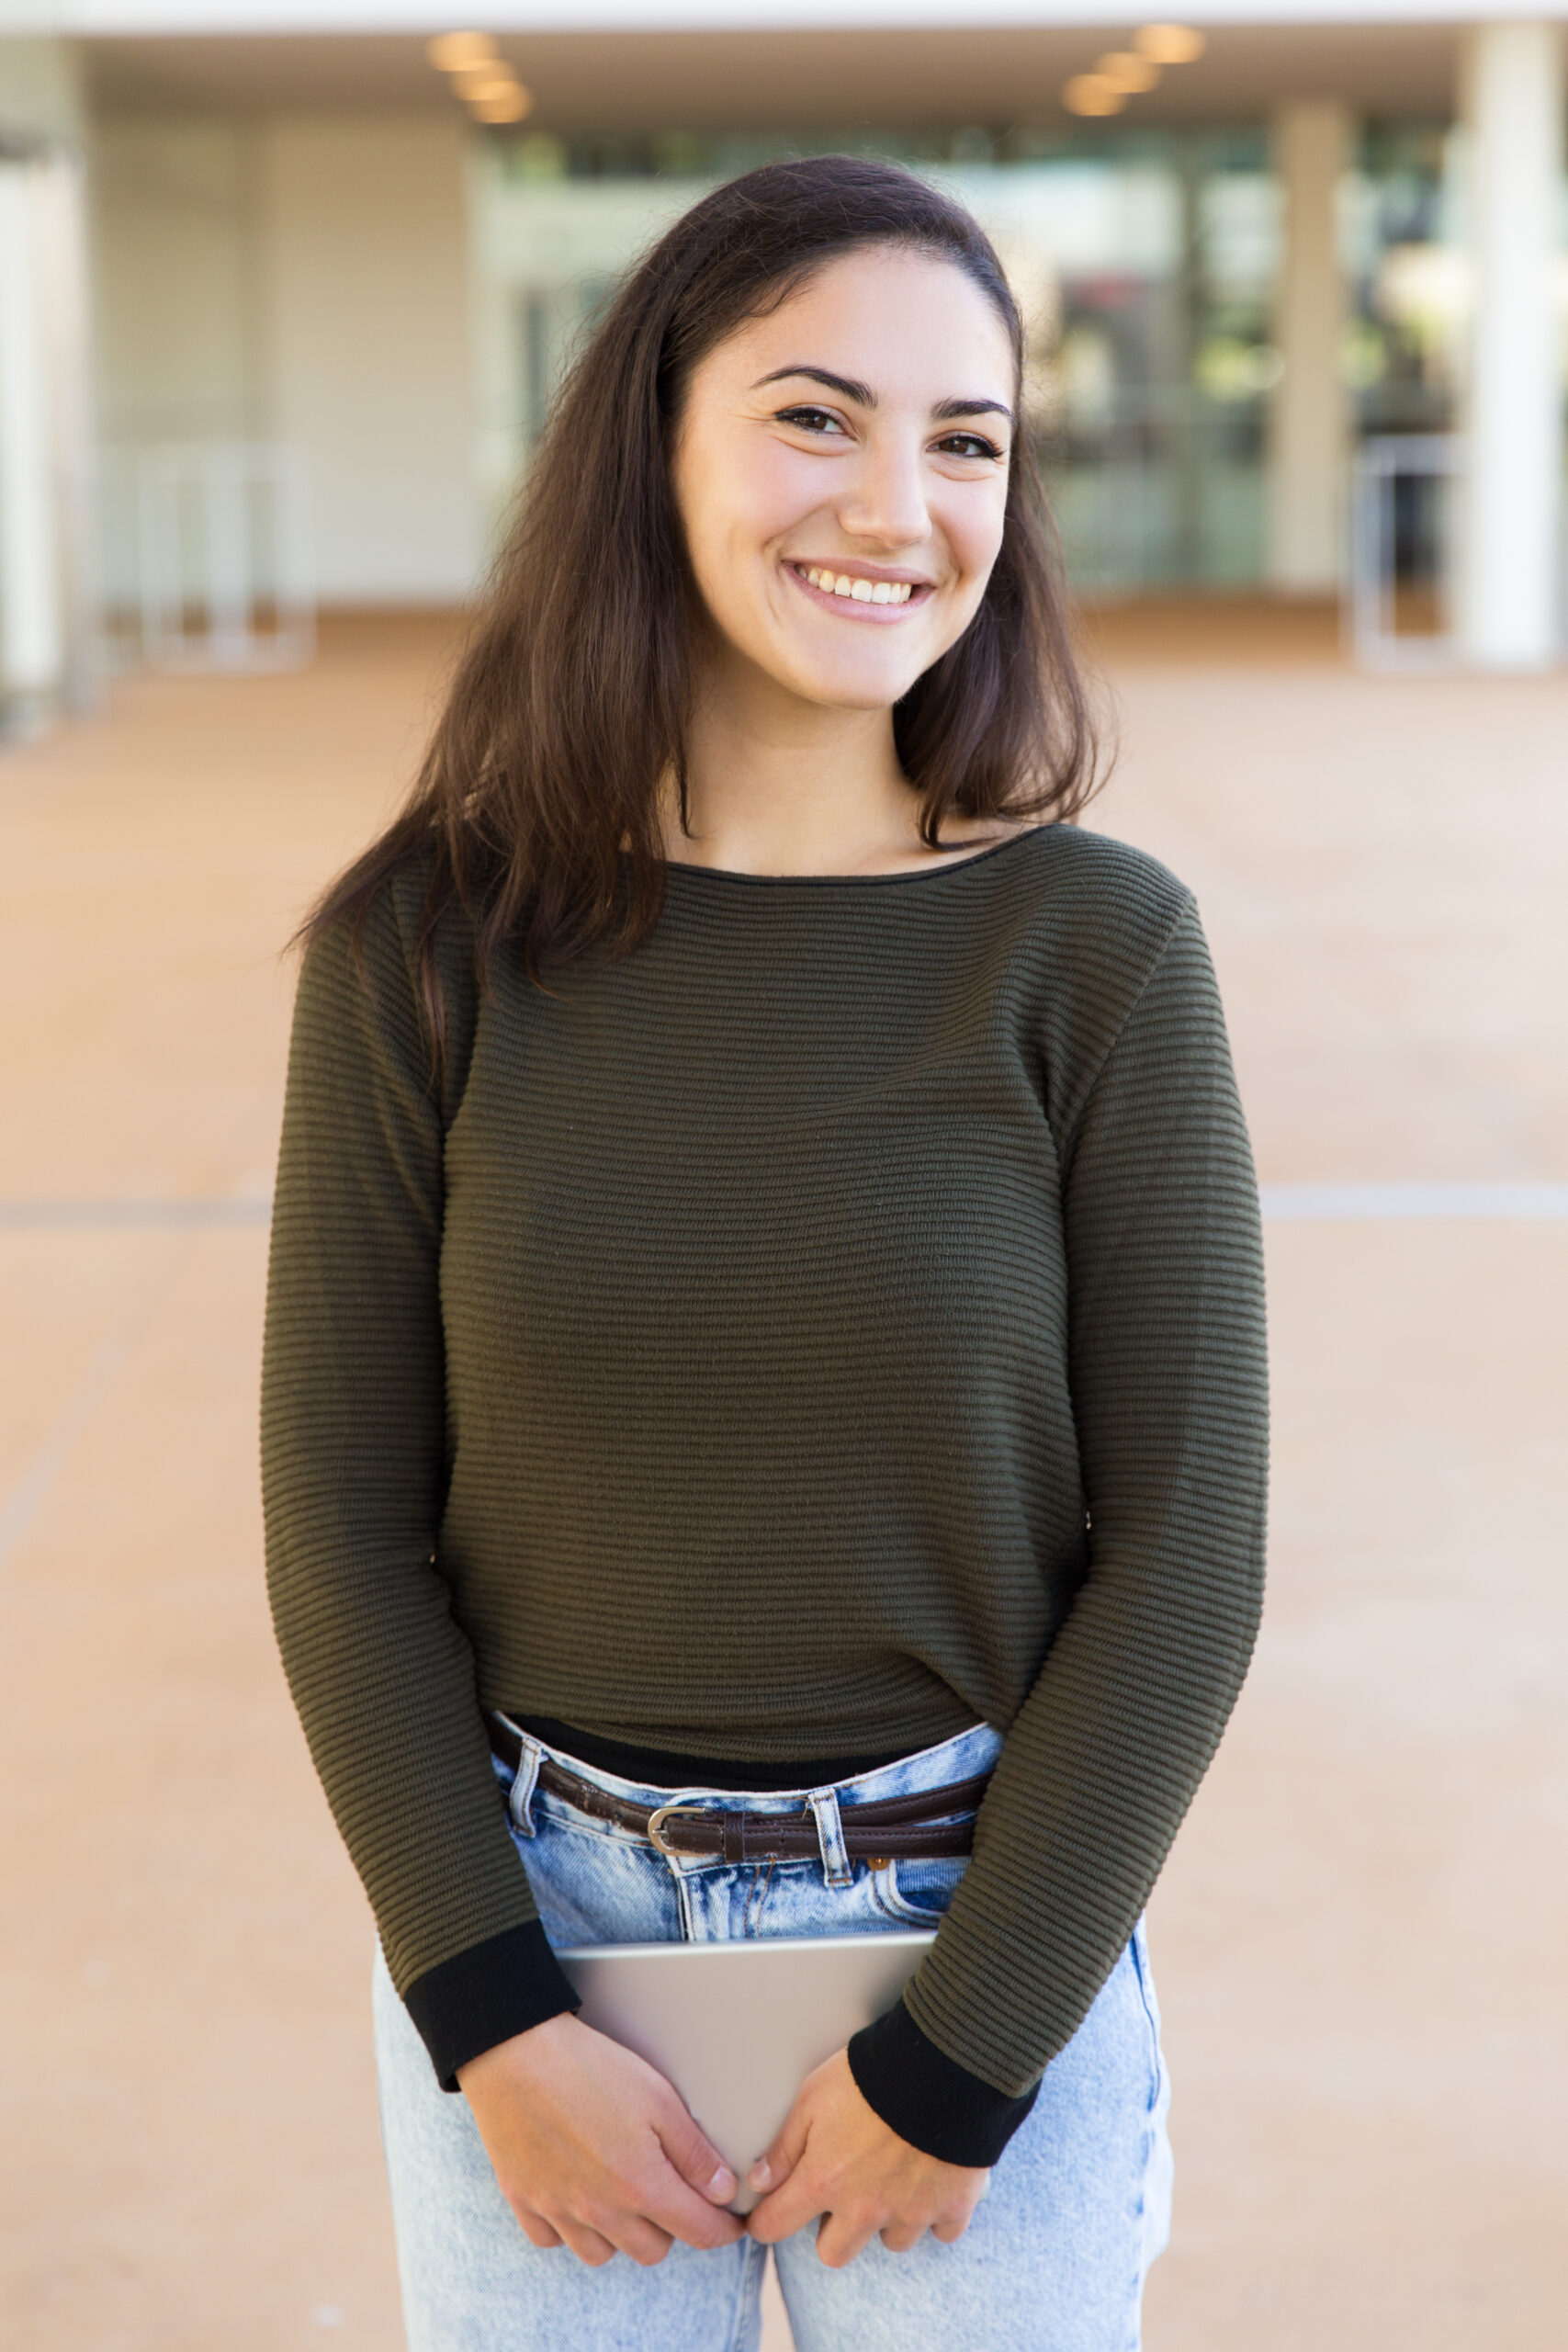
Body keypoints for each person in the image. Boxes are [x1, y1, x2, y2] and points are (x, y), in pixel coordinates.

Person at [261, 154, 1268, 2352]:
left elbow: (1184, 1546)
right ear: (651, 444)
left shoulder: (1092, 953)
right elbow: (343, 1528)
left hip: (971, 1940)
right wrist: (490, 2017)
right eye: (815, 414)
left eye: (966, 437)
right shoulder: (424, 947)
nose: (895, 502)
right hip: (538, 1958)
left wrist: (961, 2048)